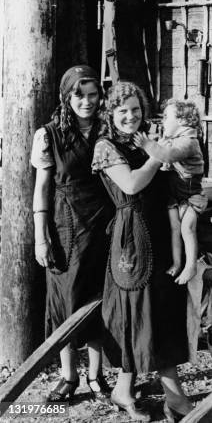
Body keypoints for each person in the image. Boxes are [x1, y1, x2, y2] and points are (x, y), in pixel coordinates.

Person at [92, 82, 192, 423]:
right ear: (111, 114)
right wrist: (155, 155)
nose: (131, 116)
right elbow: (132, 184)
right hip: (133, 237)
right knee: (140, 311)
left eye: (135, 109)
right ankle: (176, 398)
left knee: (158, 310)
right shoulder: (105, 147)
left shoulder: (147, 137)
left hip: (161, 232)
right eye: (123, 111)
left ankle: (124, 389)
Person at [31, 65, 113, 404]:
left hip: (106, 225)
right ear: (67, 97)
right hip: (65, 227)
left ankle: (96, 375)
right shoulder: (48, 135)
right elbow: (42, 189)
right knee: (65, 301)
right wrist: (40, 236)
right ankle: (69, 375)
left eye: (93, 94)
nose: (87, 101)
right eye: (79, 95)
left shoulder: (109, 129)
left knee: (100, 300)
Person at [133, 98, 207, 285]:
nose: (162, 121)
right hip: (175, 196)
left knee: (186, 228)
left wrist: (147, 144)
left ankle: (191, 266)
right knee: (174, 228)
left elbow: (167, 155)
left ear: (182, 121)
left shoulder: (189, 142)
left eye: (166, 117)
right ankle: (177, 262)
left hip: (191, 197)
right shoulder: (173, 140)